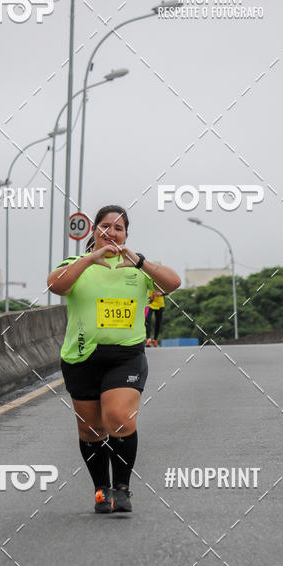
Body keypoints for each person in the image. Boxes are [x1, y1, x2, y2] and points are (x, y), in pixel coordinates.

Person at [47, 204, 181, 514]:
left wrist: (140, 261)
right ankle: (101, 489)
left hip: (126, 356)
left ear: (126, 236)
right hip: (81, 357)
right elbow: (56, 285)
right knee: (91, 431)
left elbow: (172, 283)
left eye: (118, 228)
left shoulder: (138, 267)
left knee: (119, 417)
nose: (111, 232)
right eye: (105, 226)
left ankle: (122, 487)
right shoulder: (77, 264)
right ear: (95, 231)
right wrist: (90, 258)